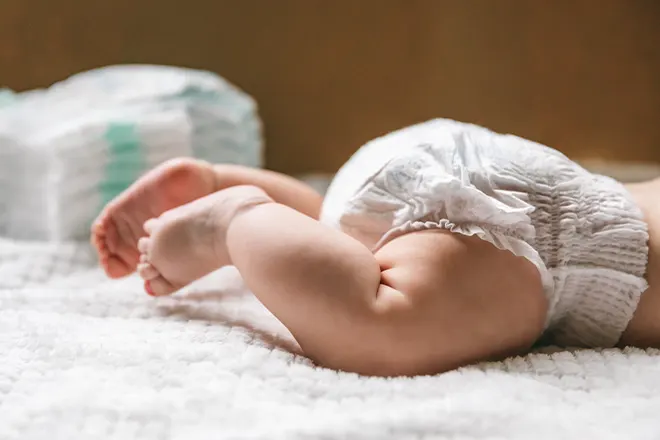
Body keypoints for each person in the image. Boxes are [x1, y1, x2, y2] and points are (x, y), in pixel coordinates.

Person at [91, 119, 660, 377]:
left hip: (466, 166)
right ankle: (232, 220)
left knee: (352, 245)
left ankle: (251, 197)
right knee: (382, 323)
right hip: (539, 239)